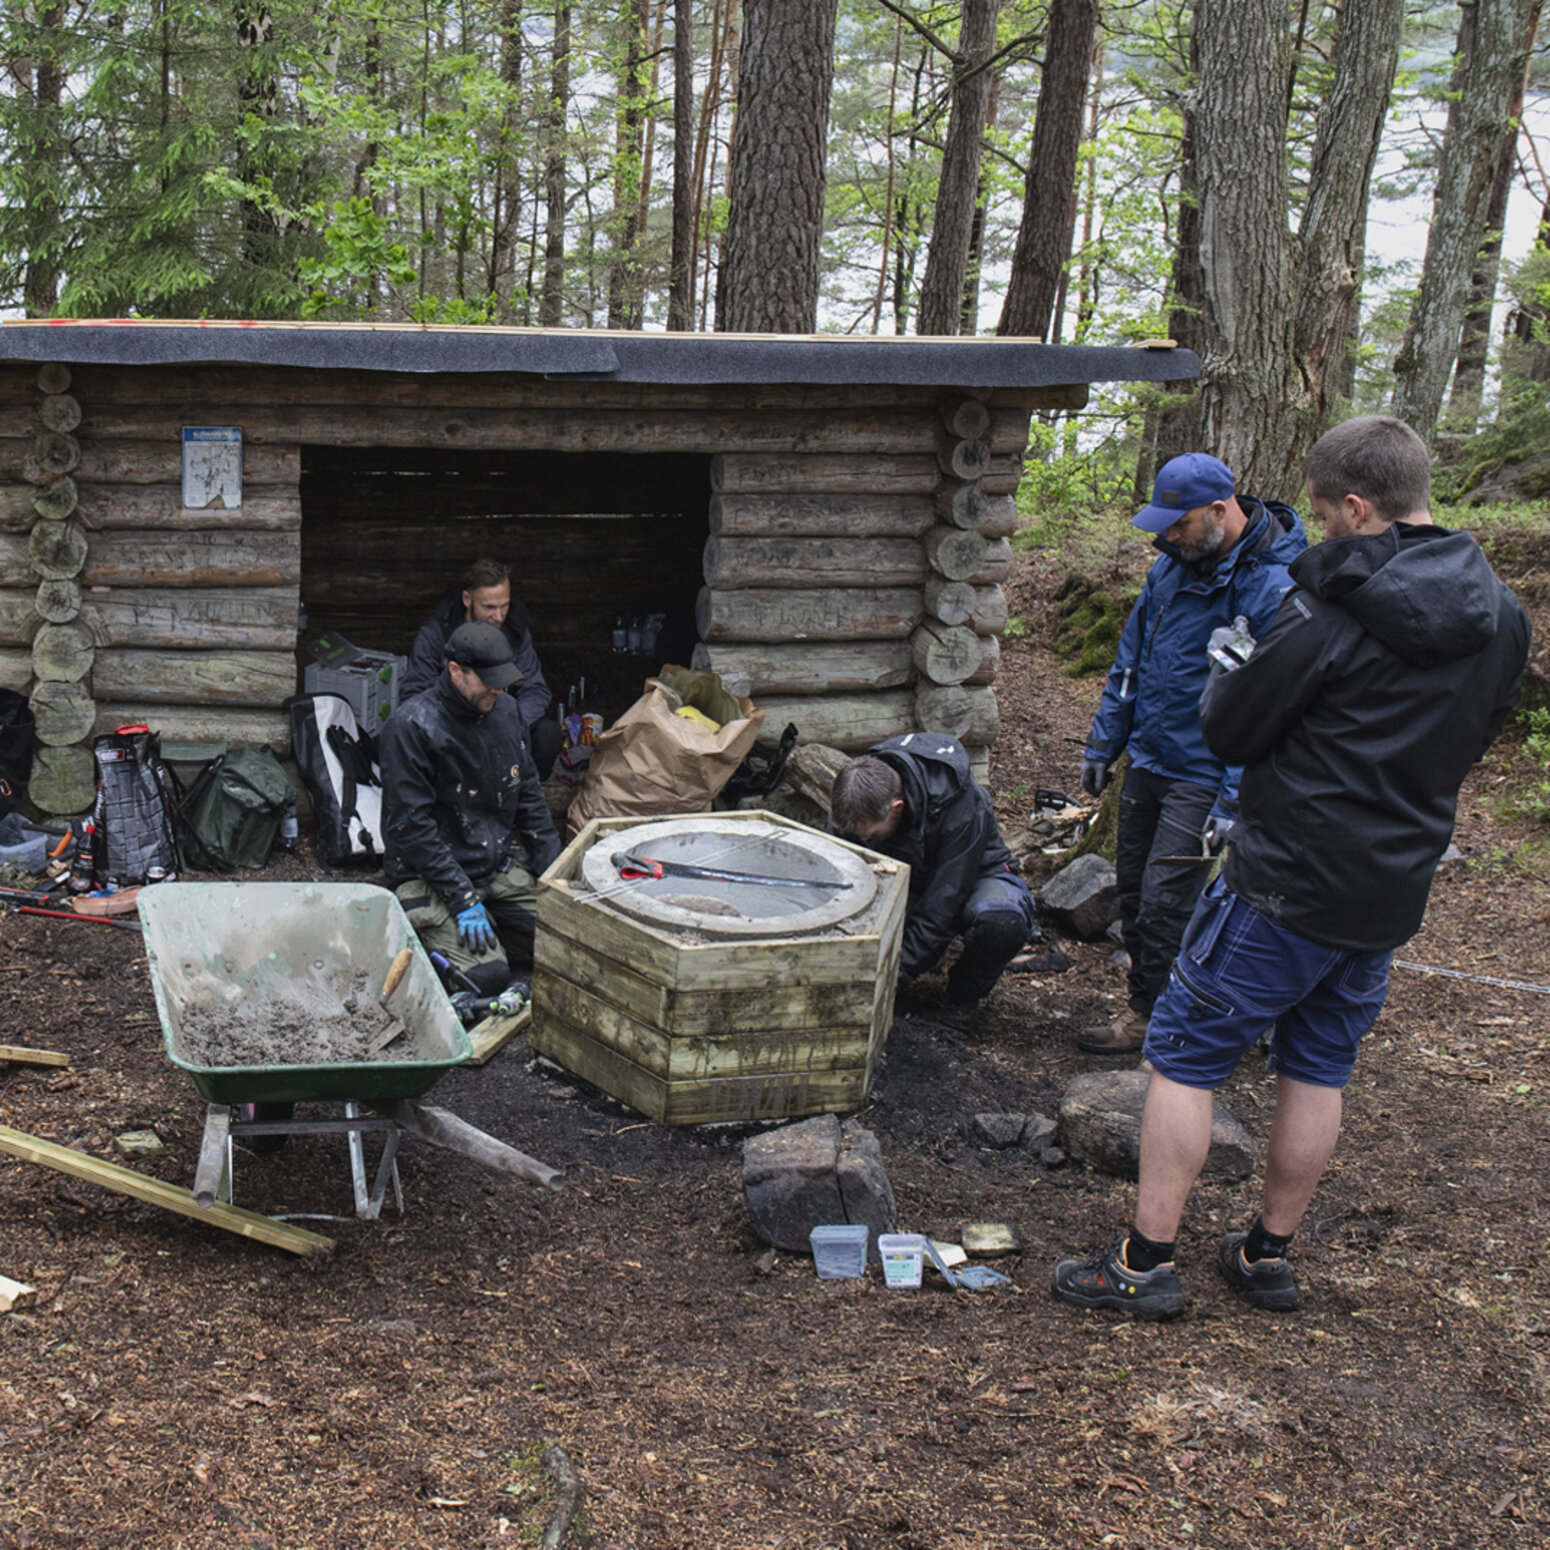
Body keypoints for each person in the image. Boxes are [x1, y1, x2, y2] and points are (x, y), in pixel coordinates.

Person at [1052, 415, 1530, 1320]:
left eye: (1323, 510)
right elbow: (1476, 734)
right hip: (1391, 887)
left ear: (1357, 505)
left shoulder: (1325, 608)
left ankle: (1143, 1263)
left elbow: (1228, 730)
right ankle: (1267, 1254)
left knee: (1183, 1058)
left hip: (1285, 881)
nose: (1319, 528)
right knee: (1318, 1068)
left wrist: (1231, 672)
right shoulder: (1502, 617)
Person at [1076, 453, 1305, 1055]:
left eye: (1177, 525)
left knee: (1166, 903)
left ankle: (1161, 1019)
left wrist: (1234, 795)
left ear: (1219, 510)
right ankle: (1155, 1004)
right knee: (1132, 895)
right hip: (1149, 759)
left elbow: (1265, 706)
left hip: (1205, 774)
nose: (1166, 537)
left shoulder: (1272, 587)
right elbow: (1129, 662)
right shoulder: (1169, 570)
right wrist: (1107, 741)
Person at [381, 621, 562, 996]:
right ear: (455, 671)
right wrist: (462, 899)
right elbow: (410, 828)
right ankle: (430, 930)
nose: (499, 688)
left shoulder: (507, 712)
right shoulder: (412, 725)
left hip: (492, 872)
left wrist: (556, 878)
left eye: (503, 680)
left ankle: (493, 934)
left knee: (574, 944)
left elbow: (529, 797)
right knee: (488, 979)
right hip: (431, 877)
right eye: (488, 680)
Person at [830, 732, 1037, 1013]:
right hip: (911, 878)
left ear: (896, 808)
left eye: (871, 836)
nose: (864, 841)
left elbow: (944, 904)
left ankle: (962, 997)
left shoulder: (960, 806)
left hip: (973, 877)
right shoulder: (860, 786)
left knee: (1000, 922)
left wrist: (894, 978)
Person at [402, 557, 562, 780]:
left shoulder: (515, 631)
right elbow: (413, 695)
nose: (498, 617)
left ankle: (521, 789)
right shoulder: (435, 634)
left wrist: (510, 725)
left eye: (504, 606)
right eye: (489, 607)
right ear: (467, 599)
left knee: (548, 735)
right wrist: (458, 730)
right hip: (451, 726)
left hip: (503, 719)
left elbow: (535, 689)